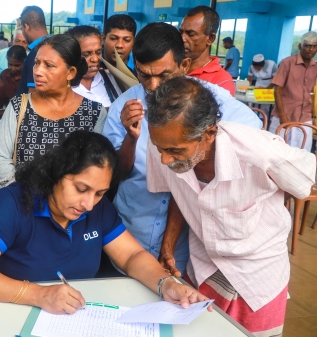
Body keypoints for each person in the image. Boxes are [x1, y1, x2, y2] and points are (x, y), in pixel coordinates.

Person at [0, 131, 212, 314]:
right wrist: (39, 295)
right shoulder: (14, 203)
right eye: (81, 188)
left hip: (76, 316)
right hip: (11, 313)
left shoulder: (97, 210)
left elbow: (131, 255)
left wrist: (166, 284)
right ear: (57, 173)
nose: (88, 204)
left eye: (99, 193)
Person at [147, 76, 315, 336]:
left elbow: (306, 181)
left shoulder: (262, 153)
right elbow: (179, 194)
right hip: (204, 269)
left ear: (210, 133)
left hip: (257, 279)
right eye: (160, 148)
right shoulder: (162, 142)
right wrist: (168, 246)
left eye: (175, 151)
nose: (165, 158)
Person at [102, 22, 262, 274]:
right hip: (133, 235)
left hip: (189, 251)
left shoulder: (214, 102)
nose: (153, 86)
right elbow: (115, 174)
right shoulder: (125, 105)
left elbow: (253, 144)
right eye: (144, 75)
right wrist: (131, 139)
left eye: (164, 75)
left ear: (184, 66)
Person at [0, 34, 107, 189]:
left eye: (49, 65)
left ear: (70, 73)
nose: (38, 71)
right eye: (36, 63)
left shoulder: (94, 113)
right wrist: (21, 194)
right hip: (22, 201)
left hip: (71, 207)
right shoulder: (19, 106)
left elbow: (96, 165)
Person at [267, 31, 317, 151]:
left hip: (305, 117)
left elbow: (312, 93)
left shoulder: (315, 67)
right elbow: (277, 90)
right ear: (300, 46)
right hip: (286, 115)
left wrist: (314, 116)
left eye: (315, 46)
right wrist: (283, 116)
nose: (311, 49)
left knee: (302, 151)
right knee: (277, 151)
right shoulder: (287, 63)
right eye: (307, 45)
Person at [180, 6, 235, 95]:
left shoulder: (221, 81)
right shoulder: (172, 67)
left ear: (210, 38)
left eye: (191, 34)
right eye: (181, 32)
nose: (183, 38)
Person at [68, 26, 120, 107]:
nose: (95, 59)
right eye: (86, 54)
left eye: (98, 52)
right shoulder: (64, 87)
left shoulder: (109, 79)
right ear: (71, 54)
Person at [15, 6, 49, 95]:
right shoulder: (57, 46)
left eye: (22, 29)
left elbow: (34, 94)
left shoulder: (37, 53)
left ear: (26, 27)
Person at [0, 45, 27, 112]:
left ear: (24, 62)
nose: (13, 69)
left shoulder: (28, 76)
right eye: (10, 64)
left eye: (17, 65)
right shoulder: (4, 75)